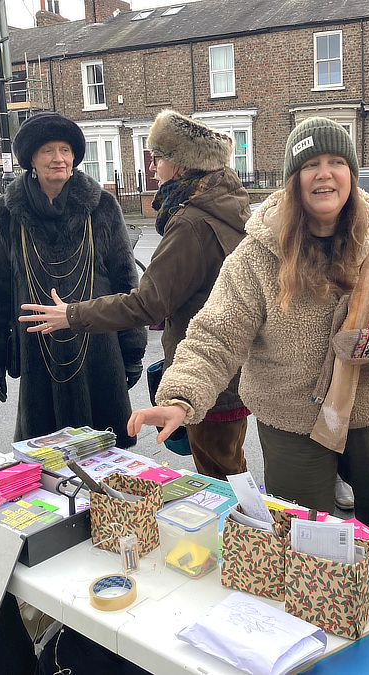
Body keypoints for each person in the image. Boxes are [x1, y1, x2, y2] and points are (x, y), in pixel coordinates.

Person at [127, 117, 369, 534]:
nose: (325, 174)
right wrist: (181, 397)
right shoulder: (258, 253)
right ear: (293, 179)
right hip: (291, 421)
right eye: (311, 164)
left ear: (350, 171)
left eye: (336, 161)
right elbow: (216, 334)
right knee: (303, 538)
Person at [19, 109, 249, 480]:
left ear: (179, 164)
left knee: (221, 474)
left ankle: (239, 533)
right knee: (228, 462)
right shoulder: (223, 200)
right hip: (228, 365)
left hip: (207, 369)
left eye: (157, 157)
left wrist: (72, 315)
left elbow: (147, 302)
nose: (152, 166)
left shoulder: (192, 221)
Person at [0, 112, 146, 446]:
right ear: (31, 159)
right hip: (38, 350)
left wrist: (133, 350)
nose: (59, 158)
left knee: (107, 455)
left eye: (65, 150)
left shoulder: (103, 207)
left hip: (98, 344)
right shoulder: (6, 213)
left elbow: (125, 281)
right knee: (46, 459)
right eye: (48, 150)